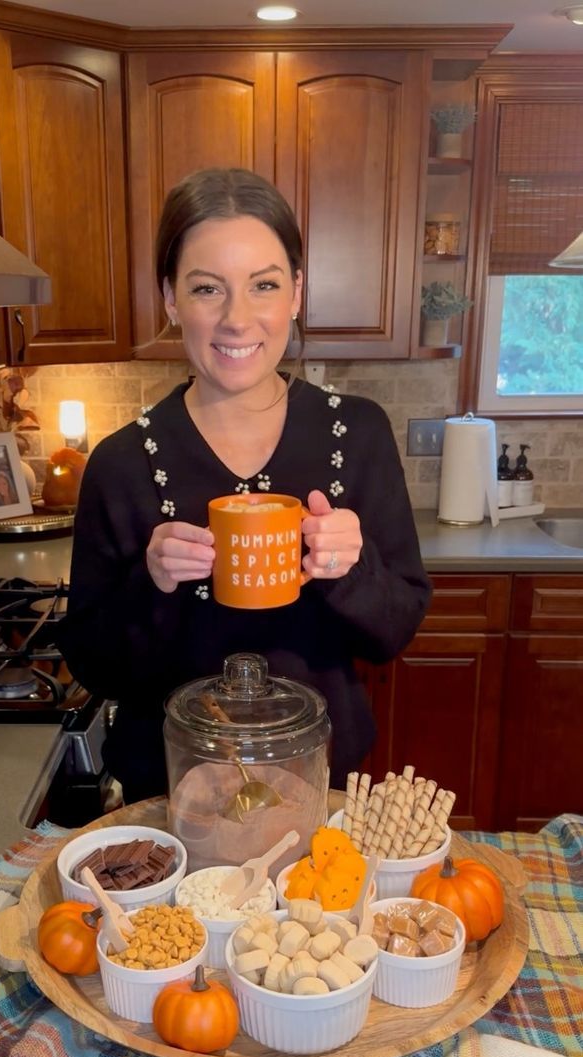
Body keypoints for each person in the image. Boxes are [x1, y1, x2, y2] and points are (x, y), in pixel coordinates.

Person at [57, 167, 431, 804]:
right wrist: (152, 582)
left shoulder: (358, 433)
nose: (237, 318)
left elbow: (394, 631)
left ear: (296, 293)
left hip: (323, 790)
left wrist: (350, 567)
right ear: (171, 299)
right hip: (169, 796)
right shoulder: (121, 464)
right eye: (207, 288)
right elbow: (95, 667)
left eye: (264, 284)